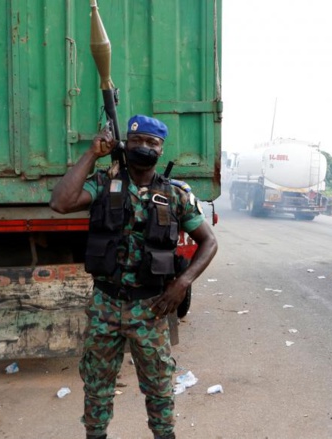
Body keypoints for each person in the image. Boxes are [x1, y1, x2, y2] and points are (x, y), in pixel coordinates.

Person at [50, 115, 218, 439]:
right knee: (97, 385)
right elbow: (60, 202)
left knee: (158, 387)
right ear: (126, 143)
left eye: (152, 143)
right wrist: (91, 154)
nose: (144, 147)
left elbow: (209, 242)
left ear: (161, 149)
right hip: (105, 304)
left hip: (150, 307)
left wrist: (182, 283)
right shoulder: (103, 184)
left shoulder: (175, 195)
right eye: (137, 141)